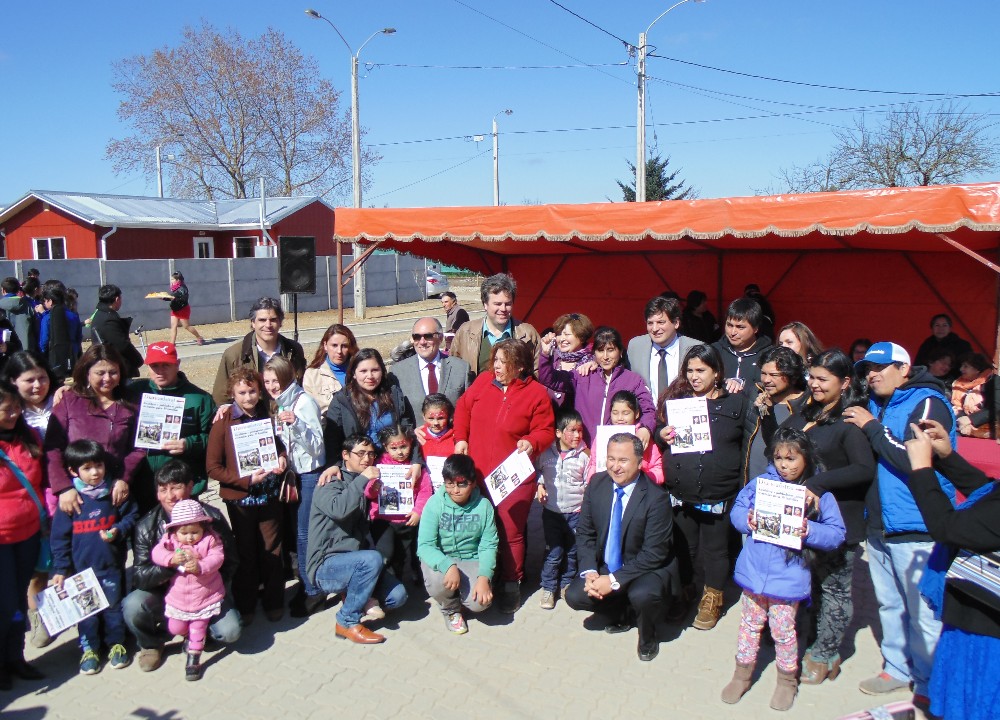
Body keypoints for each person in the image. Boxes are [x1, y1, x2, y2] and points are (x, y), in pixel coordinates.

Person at [843, 341, 956, 706]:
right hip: (879, 524)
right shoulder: (876, 403)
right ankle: (897, 668)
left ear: (904, 368)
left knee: (924, 612)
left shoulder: (927, 402)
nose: (872, 375)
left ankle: (929, 684)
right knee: (889, 603)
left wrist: (873, 427)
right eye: (867, 370)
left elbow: (915, 458)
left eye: (880, 368)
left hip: (917, 524)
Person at [721, 428, 846, 711]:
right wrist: (747, 519)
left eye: (791, 459)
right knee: (749, 628)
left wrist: (809, 530)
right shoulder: (761, 484)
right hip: (754, 574)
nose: (784, 465)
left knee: (784, 632)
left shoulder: (816, 493)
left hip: (788, 578)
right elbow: (738, 508)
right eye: (779, 458)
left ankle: (787, 681)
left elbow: (837, 533)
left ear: (806, 458)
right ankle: (742, 675)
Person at [778, 349, 875, 685]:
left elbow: (864, 469)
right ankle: (813, 641)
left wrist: (819, 482)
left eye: (822, 379)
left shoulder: (850, 420)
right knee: (813, 586)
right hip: (804, 520)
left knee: (835, 590)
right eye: (812, 377)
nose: (815, 385)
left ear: (845, 382)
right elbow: (780, 440)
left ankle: (826, 653)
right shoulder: (810, 411)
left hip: (839, 521)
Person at [904, 419, 1000, 720]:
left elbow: (948, 528)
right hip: (978, 617)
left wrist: (921, 469)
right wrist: (945, 455)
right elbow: (987, 493)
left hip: (986, 631)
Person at [453, 338, 555, 614]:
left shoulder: (536, 394)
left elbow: (546, 431)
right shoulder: (483, 382)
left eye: (503, 362)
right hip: (478, 472)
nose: (496, 366)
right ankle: (482, 576)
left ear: (520, 366)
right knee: (478, 526)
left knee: (510, 530)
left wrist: (532, 441)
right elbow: (463, 408)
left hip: (512, 476)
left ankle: (512, 582)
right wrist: (461, 437)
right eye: (495, 360)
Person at [656, 344, 751, 630]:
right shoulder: (678, 402)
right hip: (681, 492)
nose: (694, 376)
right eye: (690, 370)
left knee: (716, 549)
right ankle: (685, 591)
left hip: (718, 492)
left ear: (717, 372)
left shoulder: (736, 402)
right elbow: (664, 441)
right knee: (684, 548)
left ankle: (712, 597)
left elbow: (746, 443)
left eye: (701, 370)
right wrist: (662, 436)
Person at [565, 433, 675, 662]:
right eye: (610, 459)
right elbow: (585, 532)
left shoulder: (656, 498)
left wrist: (613, 580)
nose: (615, 467)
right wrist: (590, 571)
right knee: (575, 595)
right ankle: (622, 613)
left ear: (640, 461)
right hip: (608, 564)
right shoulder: (597, 483)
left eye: (622, 460)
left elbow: (655, 553)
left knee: (642, 595)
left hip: (644, 568)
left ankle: (648, 636)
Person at [123, 460, 241, 673]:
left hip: (205, 591)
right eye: (163, 489)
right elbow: (140, 576)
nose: (170, 496)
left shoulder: (211, 518)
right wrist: (173, 565)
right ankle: (151, 644)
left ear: (190, 487)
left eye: (176, 487)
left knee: (230, 631)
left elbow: (230, 561)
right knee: (133, 605)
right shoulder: (146, 526)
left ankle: (200, 631)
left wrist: (206, 581)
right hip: (166, 594)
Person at [305, 434, 408, 645]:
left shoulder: (363, 481)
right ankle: (346, 621)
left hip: (353, 561)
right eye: (360, 453)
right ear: (345, 455)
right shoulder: (329, 481)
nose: (367, 459)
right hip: (326, 565)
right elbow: (339, 509)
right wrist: (363, 479)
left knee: (398, 596)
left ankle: (354, 595)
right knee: (371, 560)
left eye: (370, 454)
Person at [207, 367, 288, 625]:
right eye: (242, 392)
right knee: (246, 551)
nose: (248, 397)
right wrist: (244, 480)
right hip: (241, 498)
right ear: (232, 393)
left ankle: (274, 600)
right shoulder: (224, 420)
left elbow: (280, 445)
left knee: (272, 549)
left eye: (252, 391)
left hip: (269, 495)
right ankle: (246, 602)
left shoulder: (268, 413)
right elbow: (213, 467)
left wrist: (282, 459)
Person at [50, 439, 138, 675]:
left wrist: (118, 530)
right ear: (73, 471)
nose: (94, 472)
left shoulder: (113, 493)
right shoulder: (71, 501)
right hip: (81, 574)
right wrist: (60, 569)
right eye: (87, 468)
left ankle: (116, 644)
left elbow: (131, 515)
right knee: (86, 614)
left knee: (112, 609)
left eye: (98, 466)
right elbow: (59, 539)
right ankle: (89, 649)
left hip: (110, 568)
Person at [45, 344, 144, 515]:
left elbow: (139, 446)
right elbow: (53, 447)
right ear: (87, 373)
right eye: (100, 373)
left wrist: (124, 478)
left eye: (113, 372)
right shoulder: (69, 400)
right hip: (76, 492)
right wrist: (63, 487)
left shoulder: (132, 403)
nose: (107, 378)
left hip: (115, 490)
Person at [1, 351, 58, 649]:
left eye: (43, 377)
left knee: (57, 562)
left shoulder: (63, 401)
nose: (38, 385)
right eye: (29, 380)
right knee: (30, 574)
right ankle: (38, 619)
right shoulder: (13, 415)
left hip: (57, 498)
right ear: (13, 382)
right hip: (19, 515)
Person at [262, 356, 326, 617]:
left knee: (304, 534)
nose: (271, 386)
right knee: (295, 532)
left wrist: (296, 424)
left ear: (287, 377)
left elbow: (318, 447)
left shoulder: (303, 402)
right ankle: (306, 584)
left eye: (275, 380)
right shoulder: (277, 403)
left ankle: (313, 590)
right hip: (290, 475)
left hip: (308, 475)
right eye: (267, 381)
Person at [125, 341, 216, 514]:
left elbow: (214, 438)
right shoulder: (134, 392)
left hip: (180, 488)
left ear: (177, 364)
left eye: (166, 365)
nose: (160, 371)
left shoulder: (199, 398)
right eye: (154, 366)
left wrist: (188, 444)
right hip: (141, 483)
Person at [0, 381, 47, 691]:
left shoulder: (26, 436)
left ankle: (16, 657)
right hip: (1, 537)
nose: (16, 412)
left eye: (17, 407)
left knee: (19, 598)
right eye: (7, 409)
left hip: (28, 532)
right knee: (4, 604)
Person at [417, 453, 497, 634]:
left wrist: (484, 577)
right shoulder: (434, 504)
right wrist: (447, 565)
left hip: (471, 558)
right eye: (450, 484)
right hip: (442, 557)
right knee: (438, 582)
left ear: (473, 483)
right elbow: (425, 546)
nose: (455, 490)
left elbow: (488, 545)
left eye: (462, 484)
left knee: (481, 604)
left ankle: (463, 597)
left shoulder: (484, 506)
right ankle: (451, 609)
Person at [150, 499, 226, 681]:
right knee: (175, 627)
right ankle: (188, 637)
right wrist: (170, 559)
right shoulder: (171, 541)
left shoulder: (210, 540)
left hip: (205, 595)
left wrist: (201, 566)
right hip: (179, 598)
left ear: (203, 528)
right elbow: (156, 553)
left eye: (195, 532)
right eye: (185, 533)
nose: (190, 537)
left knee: (197, 628)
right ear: (175, 531)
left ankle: (194, 658)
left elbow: (217, 558)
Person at [367, 423, 432, 616]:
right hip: (383, 520)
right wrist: (373, 489)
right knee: (386, 554)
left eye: (403, 446)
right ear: (386, 447)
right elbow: (368, 491)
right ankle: (390, 589)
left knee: (409, 551)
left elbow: (425, 491)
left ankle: (417, 577)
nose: (400, 452)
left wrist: (418, 511)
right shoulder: (378, 467)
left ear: (411, 444)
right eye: (394, 448)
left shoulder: (416, 468)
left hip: (408, 519)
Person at [323, 349, 419, 470]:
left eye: (375, 370)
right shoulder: (342, 400)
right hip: (358, 467)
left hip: (392, 464)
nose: (370, 376)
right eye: (363, 371)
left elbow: (408, 429)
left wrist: (416, 461)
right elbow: (332, 438)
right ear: (353, 373)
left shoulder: (394, 394)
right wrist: (333, 465)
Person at [535, 408, 589, 610]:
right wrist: (539, 485)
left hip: (576, 513)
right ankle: (548, 587)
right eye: (572, 430)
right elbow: (537, 472)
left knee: (572, 551)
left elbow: (588, 482)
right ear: (558, 433)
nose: (577, 435)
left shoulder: (585, 455)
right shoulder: (546, 454)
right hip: (552, 513)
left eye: (580, 430)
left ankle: (566, 584)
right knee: (554, 552)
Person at [212, 296, 306, 405]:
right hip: (252, 419)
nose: (268, 325)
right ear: (253, 323)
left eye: (273, 320)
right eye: (262, 320)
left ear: (280, 322)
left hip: (288, 416)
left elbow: (302, 386)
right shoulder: (234, 355)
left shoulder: (294, 350)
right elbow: (221, 397)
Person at [450, 273, 541, 375]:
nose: (503, 309)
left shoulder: (528, 334)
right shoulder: (465, 332)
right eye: (497, 304)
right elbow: (453, 373)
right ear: (485, 304)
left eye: (508, 304)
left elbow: (538, 373)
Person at [744, 346, 808, 483]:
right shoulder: (754, 395)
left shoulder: (806, 407)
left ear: (793, 376)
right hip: (749, 489)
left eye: (774, 375)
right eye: (763, 373)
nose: (766, 380)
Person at [626, 296, 703, 404]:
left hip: (683, 414)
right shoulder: (636, 347)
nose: (655, 329)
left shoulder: (695, 348)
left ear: (676, 323)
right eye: (650, 323)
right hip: (647, 416)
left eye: (661, 322)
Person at [583, 390, 663, 485]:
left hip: (638, 492)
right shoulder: (602, 436)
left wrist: (643, 480)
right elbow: (594, 464)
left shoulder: (641, 436)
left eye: (625, 413)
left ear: (636, 413)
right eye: (615, 413)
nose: (620, 418)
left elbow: (658, 468)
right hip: (607, 489)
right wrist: (592, 484)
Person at [393, 316, 472, 411]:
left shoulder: (461, 368)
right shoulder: (398, 372)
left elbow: (469, 409)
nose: (422, 342)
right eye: (417, 337)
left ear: (441, 338)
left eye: (428, 336)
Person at [712, 297, 773, 398]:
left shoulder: (769, 355)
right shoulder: (714, 351)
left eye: (740, 327)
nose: (733, 332)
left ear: (755, 328)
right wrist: (724, 382)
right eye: (729, 325)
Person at [538, 312, 595, 407]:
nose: (562, 339)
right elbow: (545, 378)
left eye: (567, 334)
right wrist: (545, 354)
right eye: (559, 334)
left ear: (581, 337)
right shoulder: (552, 357)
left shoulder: (591, 362)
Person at [90, 284, 145, 378]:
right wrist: (138, 360)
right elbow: (122, 345)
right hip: (115, 368)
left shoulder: (100, 314)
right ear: (117, 299)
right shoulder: (108, 319)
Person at [303, 323, 357, 416]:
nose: (339, 351)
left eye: (344, 346)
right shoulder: (312, 375)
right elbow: (309, 412)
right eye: (334, 345)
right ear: (325, 345)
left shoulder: (360, 370)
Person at [38, 284, 82, 384]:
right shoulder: (73, 315)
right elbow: (78, 336)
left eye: (45, 300)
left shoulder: (48, 318)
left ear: (50, 301)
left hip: (54, 357)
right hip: (72, 354)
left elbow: (44, 341)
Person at [952, 352, 998, 439]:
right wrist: (961, 419)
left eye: (966, 366)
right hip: (964, 427)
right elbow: (960, 408)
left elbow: (995, 407)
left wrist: (971, 419)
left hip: (987, 429)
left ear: (977, 369)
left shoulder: (992, 382)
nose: (961, 369)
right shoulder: (958, 385)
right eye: (961, 366)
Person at [160, 272, 205, 346]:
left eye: (172, 279)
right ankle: (172, 343)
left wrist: (170, 297)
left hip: (182, 309)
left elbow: (181, 298)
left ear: (177, 280)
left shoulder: (183, 288)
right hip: (175, 309)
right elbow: (171, 297)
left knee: (186, 326)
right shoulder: (174, 288)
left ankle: (199, 337)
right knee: (173, 326)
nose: (171, 281)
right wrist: (162, 298)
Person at [0, 277, 34, 352]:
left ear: (3, 290)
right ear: (18, 290)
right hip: (27, 348)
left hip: (5, 349)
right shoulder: (28, 305)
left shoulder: (1, 305)